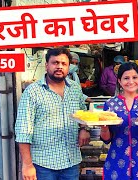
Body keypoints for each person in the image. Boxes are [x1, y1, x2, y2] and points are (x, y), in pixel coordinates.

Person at [15, 47, 90, 180]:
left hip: (71, 162)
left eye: (64, 64)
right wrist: (27, 165)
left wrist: (84, 128)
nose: (59, 67)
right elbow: (23, 131)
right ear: (46, 65)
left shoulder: (75, 89)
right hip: (43, 165)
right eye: (55, 63)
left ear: (68, 67)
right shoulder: (33, 92)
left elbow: (82, 113)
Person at [100, 62, 138, 180]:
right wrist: (104, 128)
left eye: (134, 77)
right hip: (117, 161)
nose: (131, 81)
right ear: (119, 81)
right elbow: (107, 139)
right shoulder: (110, 104)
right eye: (126, 78)